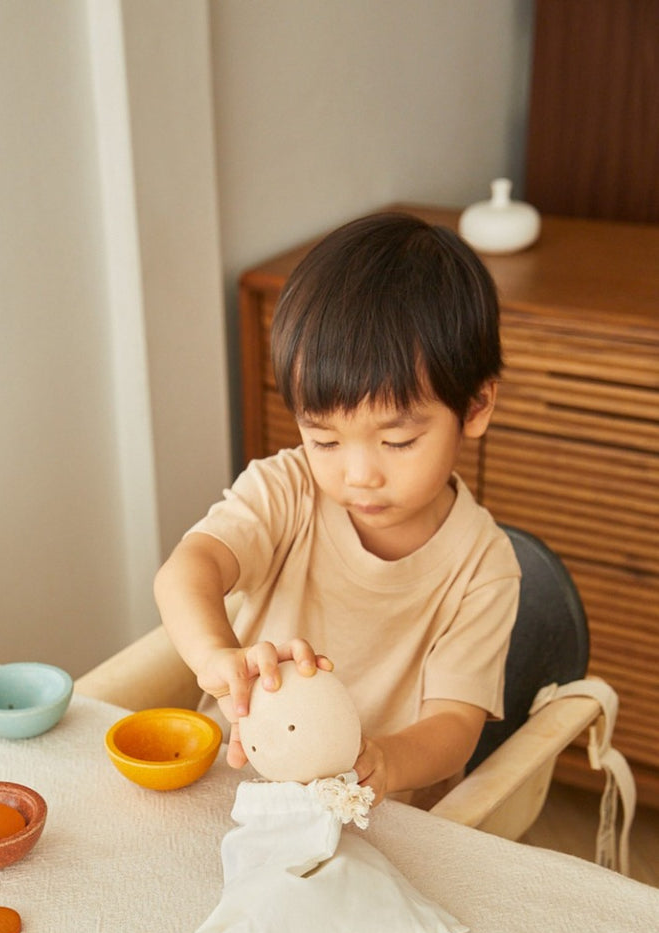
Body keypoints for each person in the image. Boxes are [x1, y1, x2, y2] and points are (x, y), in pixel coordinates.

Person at [153, 212, 520, 807]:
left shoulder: (484, 566)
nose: (358, 474)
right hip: (240, 783)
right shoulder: (287, 490)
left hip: (375, 808)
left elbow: (454, 730)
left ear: (475, 406)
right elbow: (187, 570)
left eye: (397, 441)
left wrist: (379, 760)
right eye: (324, 439)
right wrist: (217, 655)